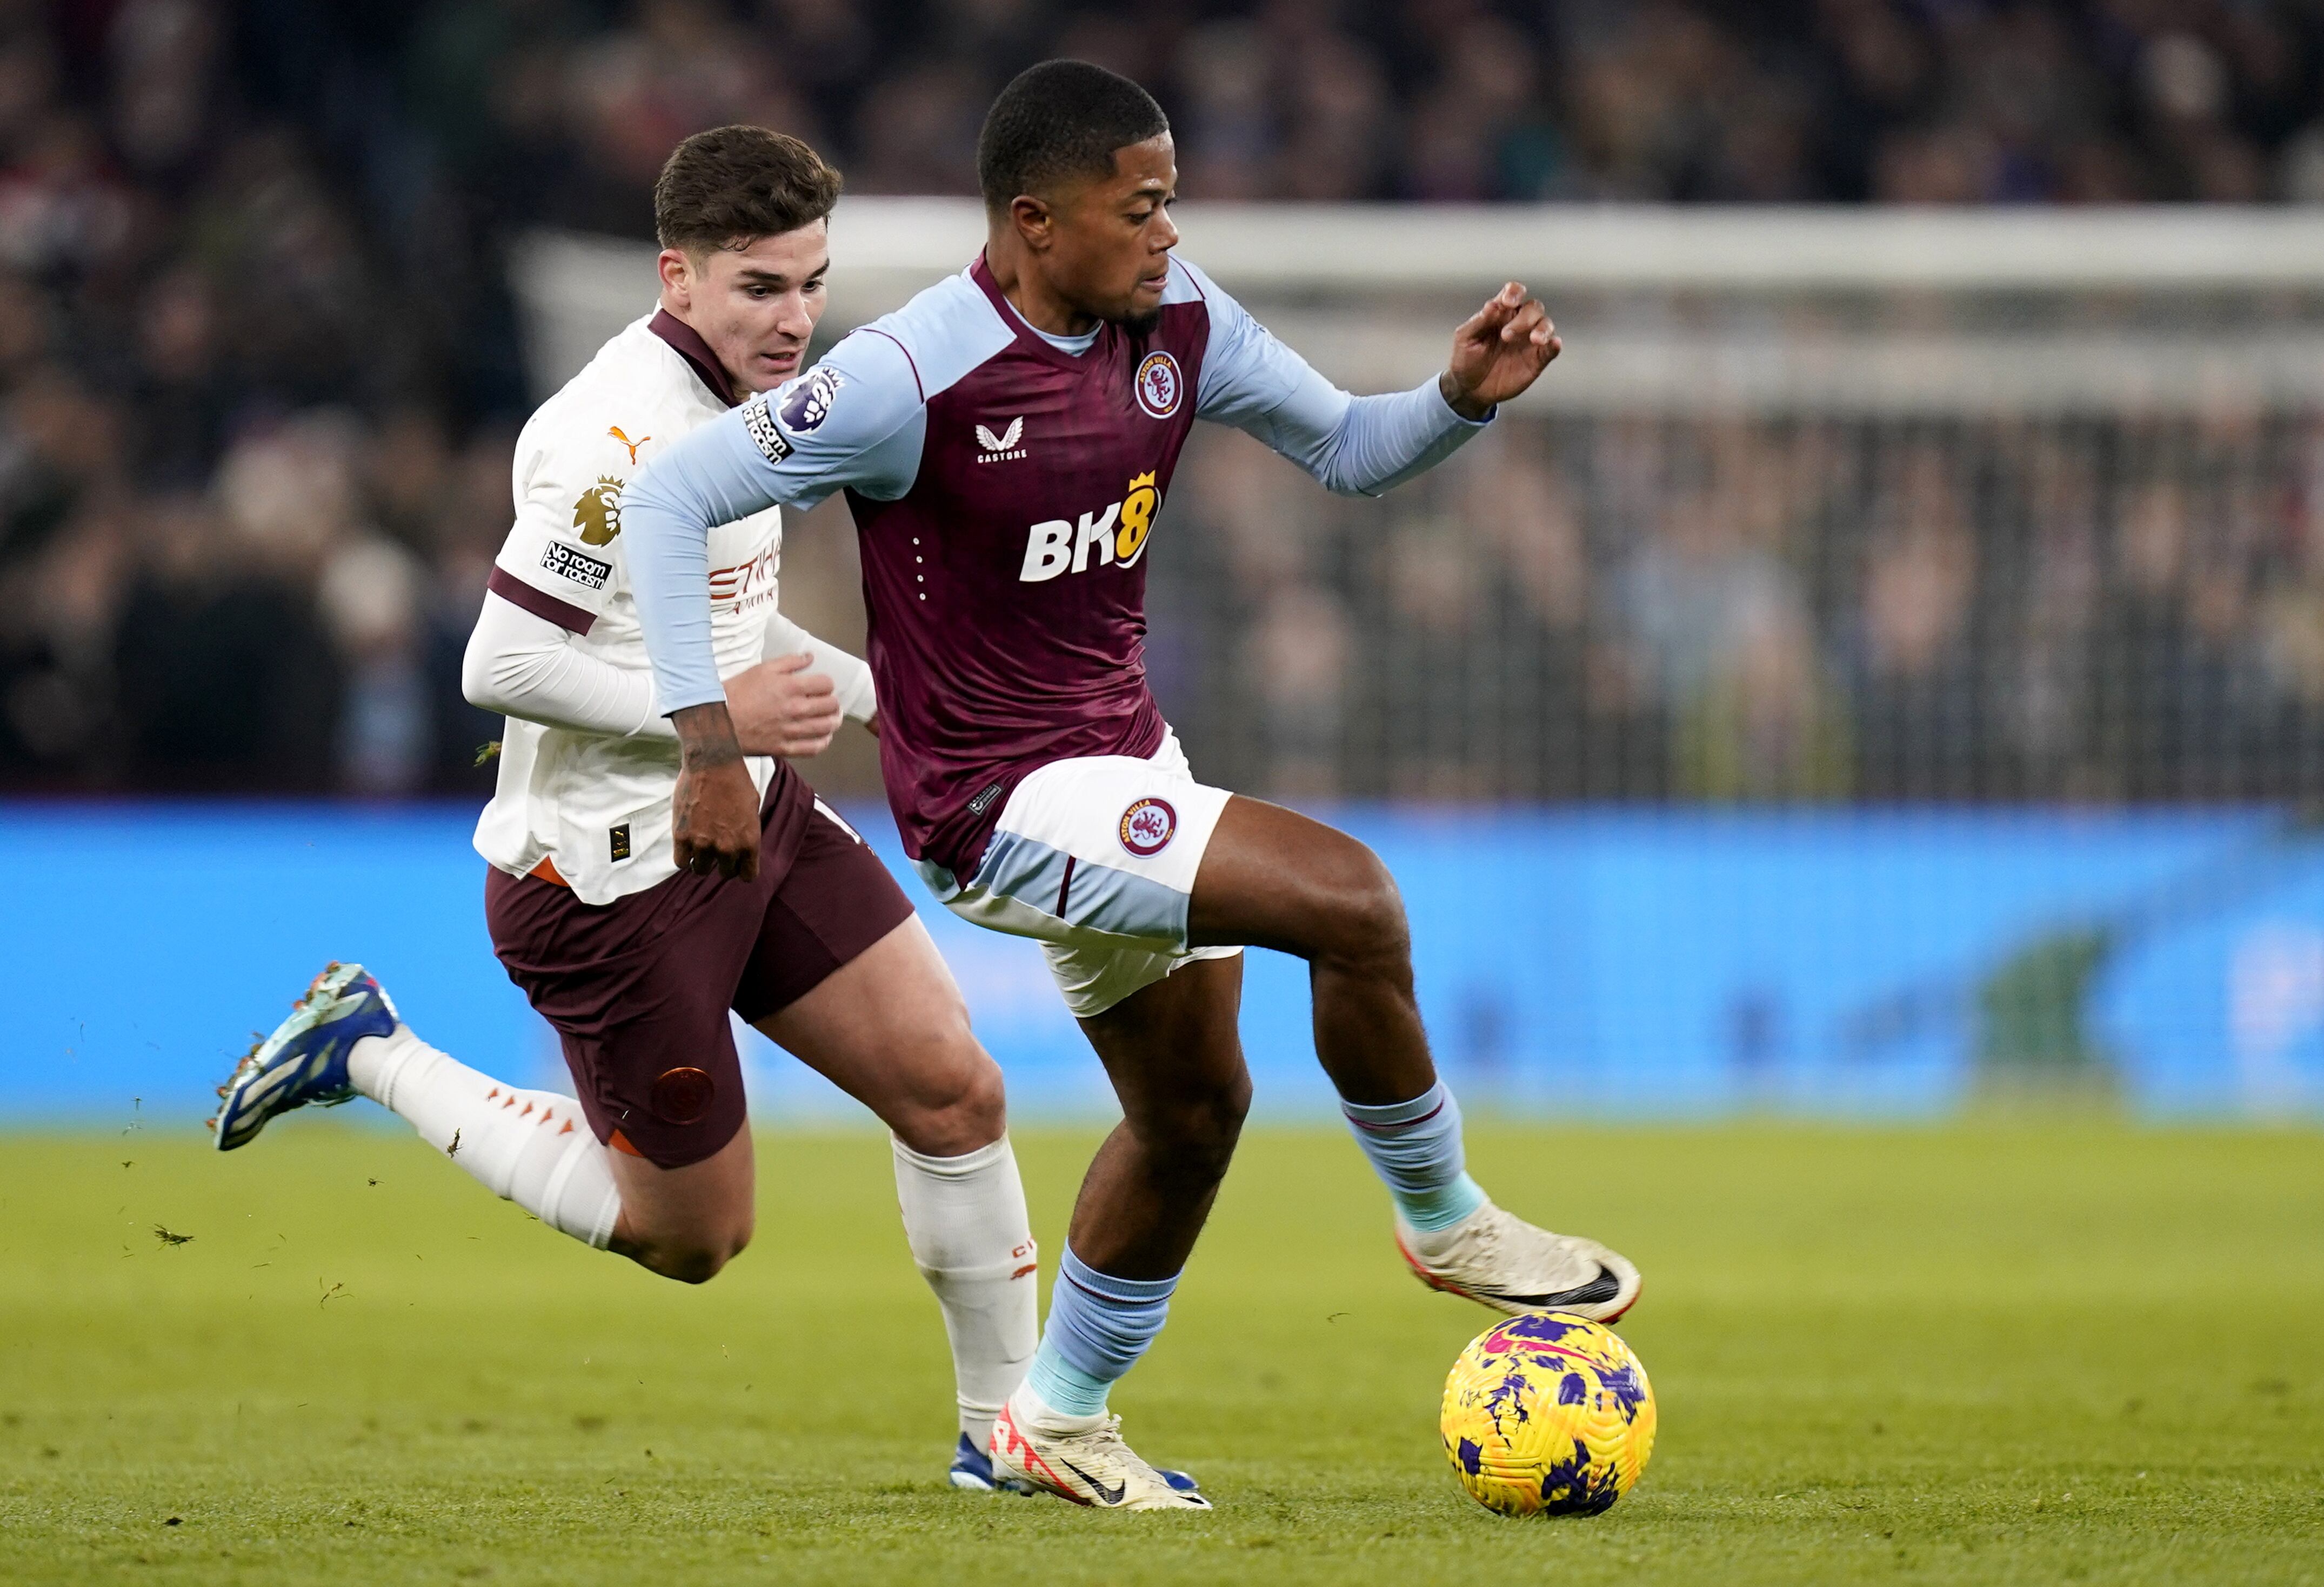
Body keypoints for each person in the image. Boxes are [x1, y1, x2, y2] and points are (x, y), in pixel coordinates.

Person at [618, 63, 1642, 1512]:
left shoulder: (1181, 323)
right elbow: (668, 498)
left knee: (1193, 1109)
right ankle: (1445, 1219)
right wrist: (709, 744)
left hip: (1119, 765)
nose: (1167, 235)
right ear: (1034, 223)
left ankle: (1054, 1419)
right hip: (994, 802)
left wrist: (1456, 401)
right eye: (1140, 206)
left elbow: (1349, 448)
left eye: (1171, 204)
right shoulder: (908, 376)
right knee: (1352, 900)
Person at [208, 125, 1066, 1496]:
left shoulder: (756, 405)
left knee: (954, 1087)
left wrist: (895, 701)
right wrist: (714, 716)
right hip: (606, 879)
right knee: (691, 1235)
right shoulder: (610, 438)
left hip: (751, 815)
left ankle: (1011, 1437)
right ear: (677, 278)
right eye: (757, 290)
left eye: (809, 284)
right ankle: (368, 1045)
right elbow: (502, 662)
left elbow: (728, 610)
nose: (793, 322)